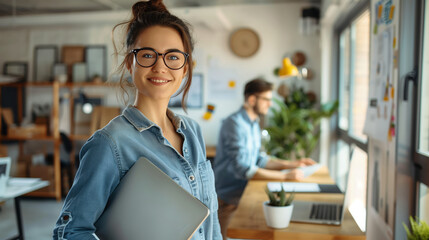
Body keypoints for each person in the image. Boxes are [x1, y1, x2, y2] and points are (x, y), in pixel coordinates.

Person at [53, 0, 221, 239]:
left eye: (172, 57)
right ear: (130, 63)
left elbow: (210, 220)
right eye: (148, 55)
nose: (160, 66)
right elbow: (70, 231)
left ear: (185, 67)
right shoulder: (110, 143)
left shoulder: (193, 132)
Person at [213, 78, 316, 239]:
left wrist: (294, 163)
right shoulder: (234, 124)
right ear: (252, 99)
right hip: (228, 199)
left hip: (244, 195)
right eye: (267, 99)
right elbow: (244, 169)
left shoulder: (253, 123)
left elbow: (259, 160)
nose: (270, 104)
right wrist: (285, 176)